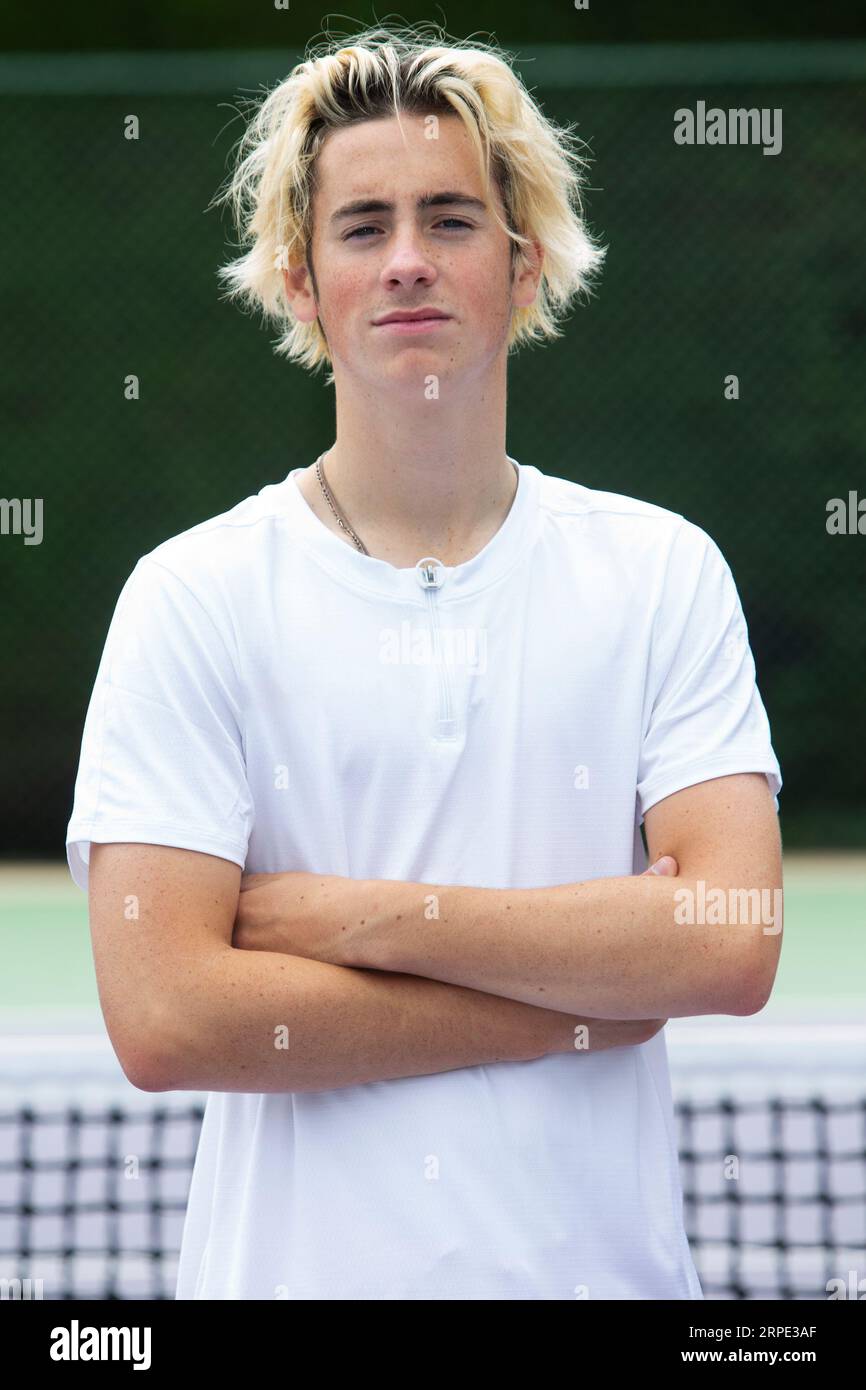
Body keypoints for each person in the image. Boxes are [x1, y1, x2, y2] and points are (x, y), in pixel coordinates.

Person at [66, 23, 783, 1300]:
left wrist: (351, 920)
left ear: (523, 267)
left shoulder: (662, 570)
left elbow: (727, 938)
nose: (406, 261)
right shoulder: (190, 596)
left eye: (449, 221)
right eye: (362, 227)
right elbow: (168, 1018)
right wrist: (568, 1005)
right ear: (300, 281)